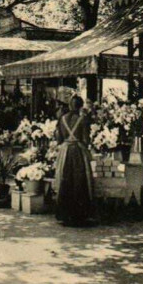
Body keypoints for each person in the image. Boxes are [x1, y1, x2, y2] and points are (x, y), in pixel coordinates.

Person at [54, 96, 96, 227]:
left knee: (65, 179)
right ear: (80, 106)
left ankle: (65, 214)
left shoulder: (62, 119)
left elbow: (59, 139)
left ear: (70, 105)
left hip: (65, 151)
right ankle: (79, 215)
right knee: (79, 181)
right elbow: (86, 140)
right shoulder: (83, 119)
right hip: (78, 152)